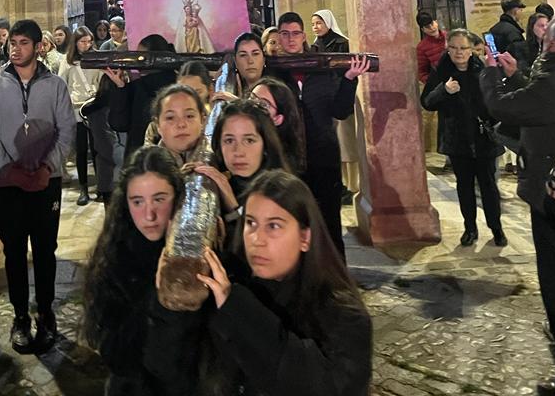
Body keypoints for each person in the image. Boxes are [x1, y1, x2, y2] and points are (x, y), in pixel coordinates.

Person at [144, 169, 373, 396]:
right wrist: (171, 310)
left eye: (274, 226)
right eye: (251, 223)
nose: (257, 240)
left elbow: (318, 385)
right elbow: (169, 374)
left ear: (305, 237)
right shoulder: (228, 288)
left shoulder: (344, 316)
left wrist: (238, 310)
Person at [480, 12, 555, 395]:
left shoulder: (554, 79)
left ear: (553, 44)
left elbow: (504, 108)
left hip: (554, 196)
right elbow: (538, 106)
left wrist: (489, 74)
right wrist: (517, 75)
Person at [0, 18, 76, 354]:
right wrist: (9, 169)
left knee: (45, 250)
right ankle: (20, 316)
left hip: (47, 181)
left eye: (22, 43)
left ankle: (46, 313)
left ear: (38, 47)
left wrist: (47, 167)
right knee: (14, 252)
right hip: (7, 185)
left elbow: (66, 131)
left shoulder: (56, 87)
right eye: (12, 43)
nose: (15, 49)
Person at [81, 145, 185, 396]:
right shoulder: (114, 257)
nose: (149, 215)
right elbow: (114, 353)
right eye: (137, 201)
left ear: (178, 196)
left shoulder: (195, 256)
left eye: (159, 199)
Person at [276, 12, 370, 258]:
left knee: (329, 222)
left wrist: (349, 79)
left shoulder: (320, 67)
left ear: (303, 36)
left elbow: (340, 110)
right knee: (296, 224)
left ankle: (337, 277)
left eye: (295, 33)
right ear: (278, 37)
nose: (290, 39)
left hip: (323, 156)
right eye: (285, 34)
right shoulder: (274, 74)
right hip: (289, 159)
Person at [421, 30, 506, 246]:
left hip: (483, 138)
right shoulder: (441, 72)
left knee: (489, 186)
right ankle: (470, 228)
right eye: (454, 48)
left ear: (471, 50)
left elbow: (497, 101)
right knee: (465, 186)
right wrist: (444, 90)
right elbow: (427, 102)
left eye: (463, 48)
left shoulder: (483, 71)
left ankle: (496, 228)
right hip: (457, 139)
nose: (459, 52)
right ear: (448, 49)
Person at [197, 99, 289, 228]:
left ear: (266, 146)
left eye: (249, 140)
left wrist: (234, 208)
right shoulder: (227, 179)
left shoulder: (284, 194)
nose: (238, 152)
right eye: (229, 141)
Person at [311, 9, 359, 200]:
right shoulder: (315, 47)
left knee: (347, 143)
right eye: (313, 24)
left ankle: (353, 184)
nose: (316, 27)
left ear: (328, 23)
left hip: (342, 96)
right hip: (325, 99)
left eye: (319, 23)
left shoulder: (341, 43)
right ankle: (342, 183)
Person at [105, 35, 178, 159]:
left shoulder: (139, 87)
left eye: (140, 56)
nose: (137, 60)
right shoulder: (180, 84)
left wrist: (120, 89)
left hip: (140, 159)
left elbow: (119, 124)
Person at [59, 26, 101, 206]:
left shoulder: (97, 59)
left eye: (89, 41)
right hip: (77, 110)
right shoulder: (68, 62)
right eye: (83, 41)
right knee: (81, 150)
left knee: (98, 149)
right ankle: (83, 187)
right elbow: (62, 84)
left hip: (94, 108)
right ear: (76, 43)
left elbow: (101, 81)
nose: (87, 45)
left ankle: (101, 186)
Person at [251, 76, 307, 175]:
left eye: (263, 105)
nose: (252, 106)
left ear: (277, 119)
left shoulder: (278, 165)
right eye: (252, 98)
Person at [152, 83, 208, 165]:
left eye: (189, 116)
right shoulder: (144, 168)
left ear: (202, 120)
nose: (181, 124)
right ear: (158, 125)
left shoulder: (222, 161)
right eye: (170, 118)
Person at [415, 10, 447, 84]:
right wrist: (433, 82)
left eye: (432, 24)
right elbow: (422, 73)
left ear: (436, 22)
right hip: (440, 84)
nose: (432, 28)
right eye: (427, 27)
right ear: (423, 30)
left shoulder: (449, 37)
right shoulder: (422, 47)